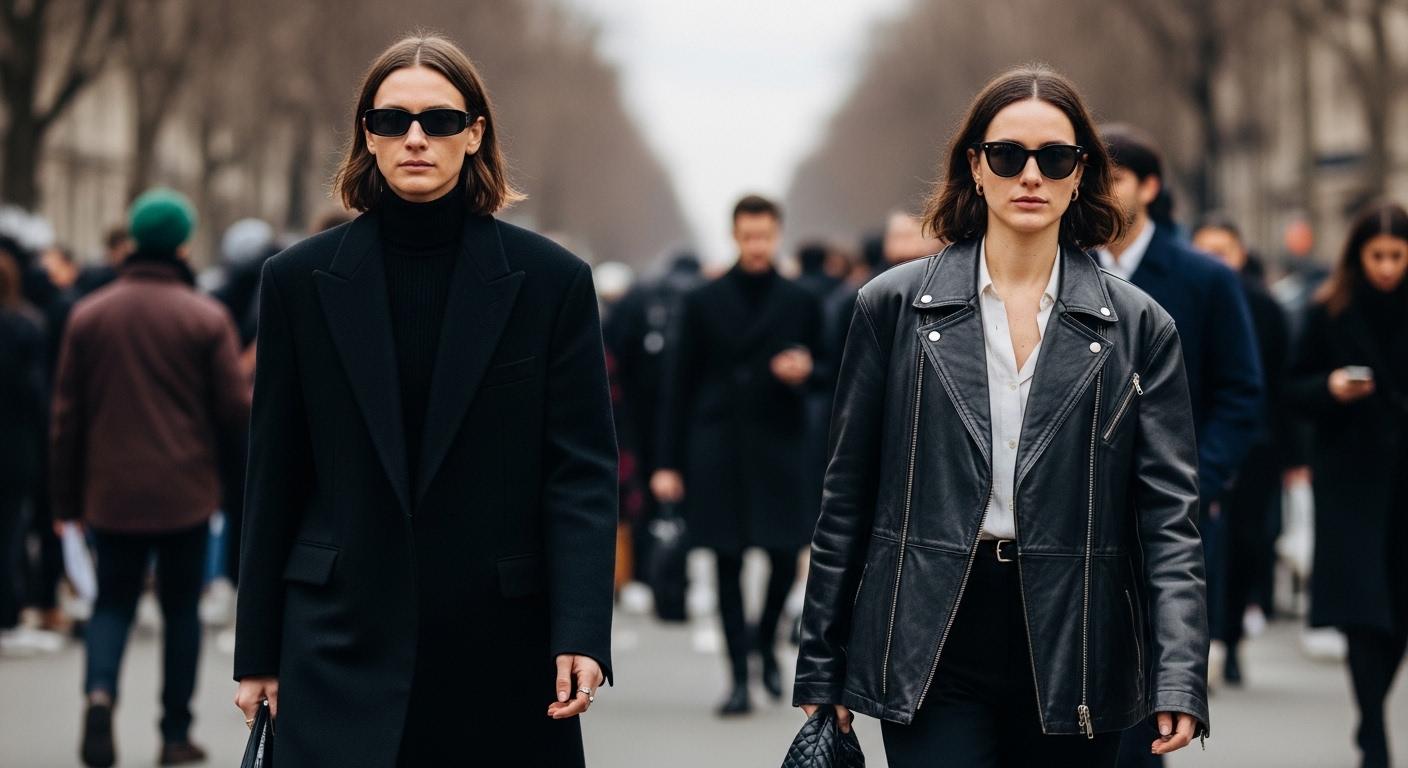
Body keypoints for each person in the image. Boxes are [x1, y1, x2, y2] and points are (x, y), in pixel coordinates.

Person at [793, 65, 1209, 767]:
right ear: (974, 169)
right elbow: (847, 497)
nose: (1031, 176)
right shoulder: (892, 308)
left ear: (1082, 175)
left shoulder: (1142, 327)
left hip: (1079, 632)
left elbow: (1169, 518)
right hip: (931, 631)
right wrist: (821, 658)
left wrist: (1178, 671)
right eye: (1008, 155)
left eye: (1056, 158)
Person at [232, 34, 618, 767]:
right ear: (367, 136)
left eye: (440, 120)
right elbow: (273, 474)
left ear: (474, 134)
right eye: (392, 120)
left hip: (502, 645)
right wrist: (257, 651)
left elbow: (581, 473)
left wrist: (580, 631)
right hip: (335, 641)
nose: (416, 138)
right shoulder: (296, 281)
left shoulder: (551, 282)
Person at [50, 188, 251, 767]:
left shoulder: (90, 316)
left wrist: (66, 504)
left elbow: (66, 422)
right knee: (180, 610)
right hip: (186, 494)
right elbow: (234, 413)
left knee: (112, 602)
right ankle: (174, 733)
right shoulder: (205, 317)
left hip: (109, 493)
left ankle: (99, 694)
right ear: (183, 244)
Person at [1095, 125, 1261, 768]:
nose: (1099, 193)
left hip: (1171, 511)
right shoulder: (1062, 271)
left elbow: (1241, 395)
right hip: (1076, 513)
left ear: (1150, 187)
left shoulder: (1204, 279)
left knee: (1148, 698)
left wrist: (1196, 485)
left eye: (1115, 178)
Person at [653, 195, 822, 716]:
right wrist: (667, 463)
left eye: (764, 237)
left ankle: (766, 643)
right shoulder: (703, 299)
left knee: (781, 555)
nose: (756, 246)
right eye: (747, 237)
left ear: (777, 235)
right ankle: (738, 678)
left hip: (778, 444)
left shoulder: (801, 300)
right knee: (724, 562)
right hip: (718, 447)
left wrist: (805, 370)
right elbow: (677, 383)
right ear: (734, 235)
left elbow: (831, 368)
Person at [1285, 201, 1408, 768]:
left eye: (1396, 255)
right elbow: (1291, 390)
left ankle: (1370, 719)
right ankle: (1376, 738)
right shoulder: (1329, 310)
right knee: (1364, 612)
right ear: (1359, 255)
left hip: (1404, 484)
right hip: (1350, 481)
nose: (1386, 267)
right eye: (1376, 255)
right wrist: (1331, 387)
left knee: (1398, 614)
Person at [1191, 215, 1293, 685]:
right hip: (1195, 444)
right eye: (1204, 250)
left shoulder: (1263, 305)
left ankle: (1233, 638)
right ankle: (1208, 641)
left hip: (1253, 446)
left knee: (1249, 542)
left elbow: (1278, 383)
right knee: (1203, 551)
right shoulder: (1183, 296)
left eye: (1223, 251)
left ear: (1240, 254)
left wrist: (1291, 455)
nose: (1214, 260)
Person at [0, 248, 50, 657]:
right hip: (13, 448)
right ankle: (8, 615)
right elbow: (37, 397)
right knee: (9, 533)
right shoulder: (24, 328)